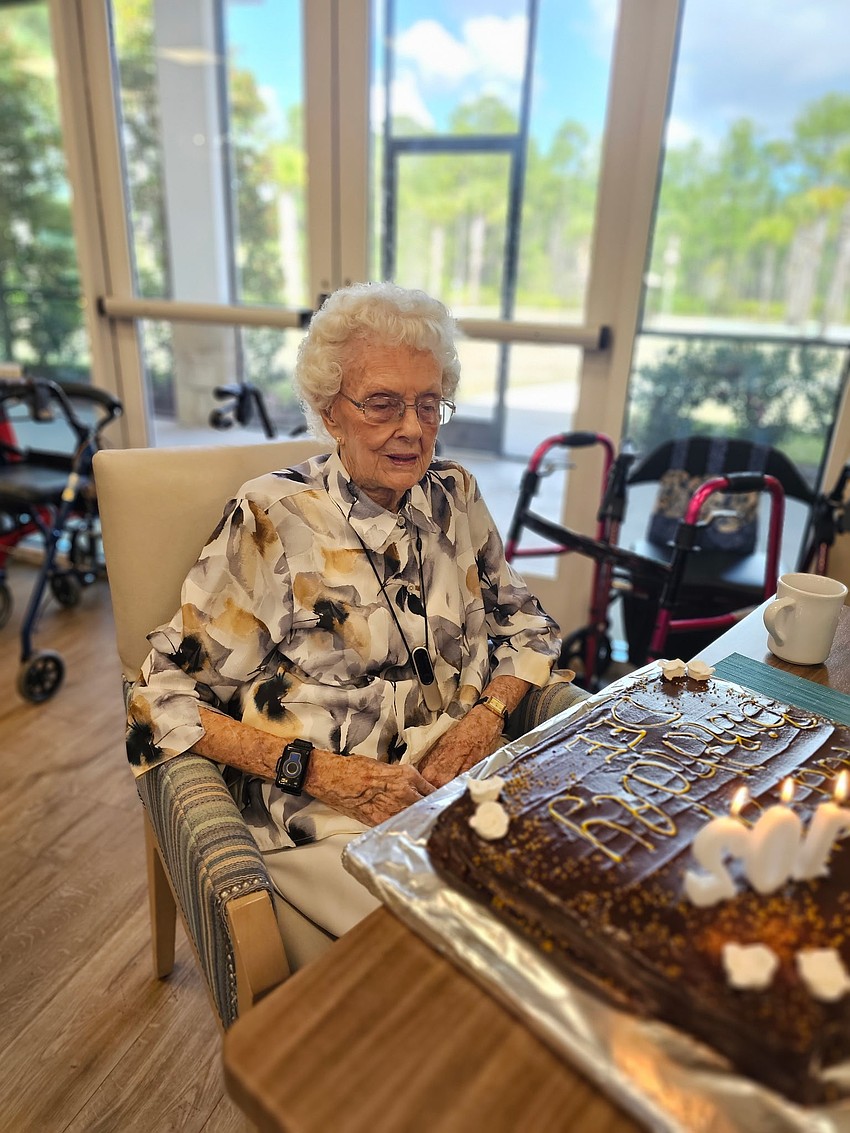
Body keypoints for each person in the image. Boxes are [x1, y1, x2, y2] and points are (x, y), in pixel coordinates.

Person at [127, 281, 562, 945]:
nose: (412, 428)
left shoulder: (455, 495)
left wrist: (485, 718)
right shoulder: (274, 519)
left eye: (427, 403)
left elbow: (526, 627)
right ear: (331, 413)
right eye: (383, 403)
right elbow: (159, 699)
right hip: (330, 818)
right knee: (473, 962)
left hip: (468, 789)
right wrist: (324, 774)